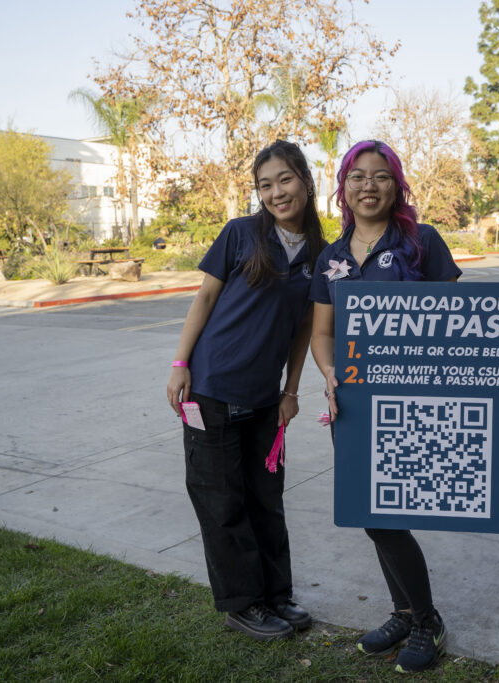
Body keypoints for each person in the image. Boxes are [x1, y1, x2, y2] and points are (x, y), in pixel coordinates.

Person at [310, 140, 499, 674]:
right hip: (355, 402)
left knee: (387, 515)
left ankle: (426, 620)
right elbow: (322, 332)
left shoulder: (422, 242)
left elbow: (467, 322)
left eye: (381, 177)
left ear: (397, 187)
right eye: (357, 177)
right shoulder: (332, 256)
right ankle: (404, 611)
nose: (369, 186)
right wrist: (327, 373)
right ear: (343, 188)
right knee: (372, 515)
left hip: (414, 403)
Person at [166, 140, 325, 642]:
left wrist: (291, 389)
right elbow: (205, 296)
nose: (276, 192)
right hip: (212, 386)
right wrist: (179, 364)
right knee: (223, 501)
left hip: (263, 396)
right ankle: (242, 604)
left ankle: (276, 595)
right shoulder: (240, 234)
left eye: (285, 179)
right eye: (265, 184)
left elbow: (305, 328)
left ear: (304, 179)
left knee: (266, 499)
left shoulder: (322, 253)